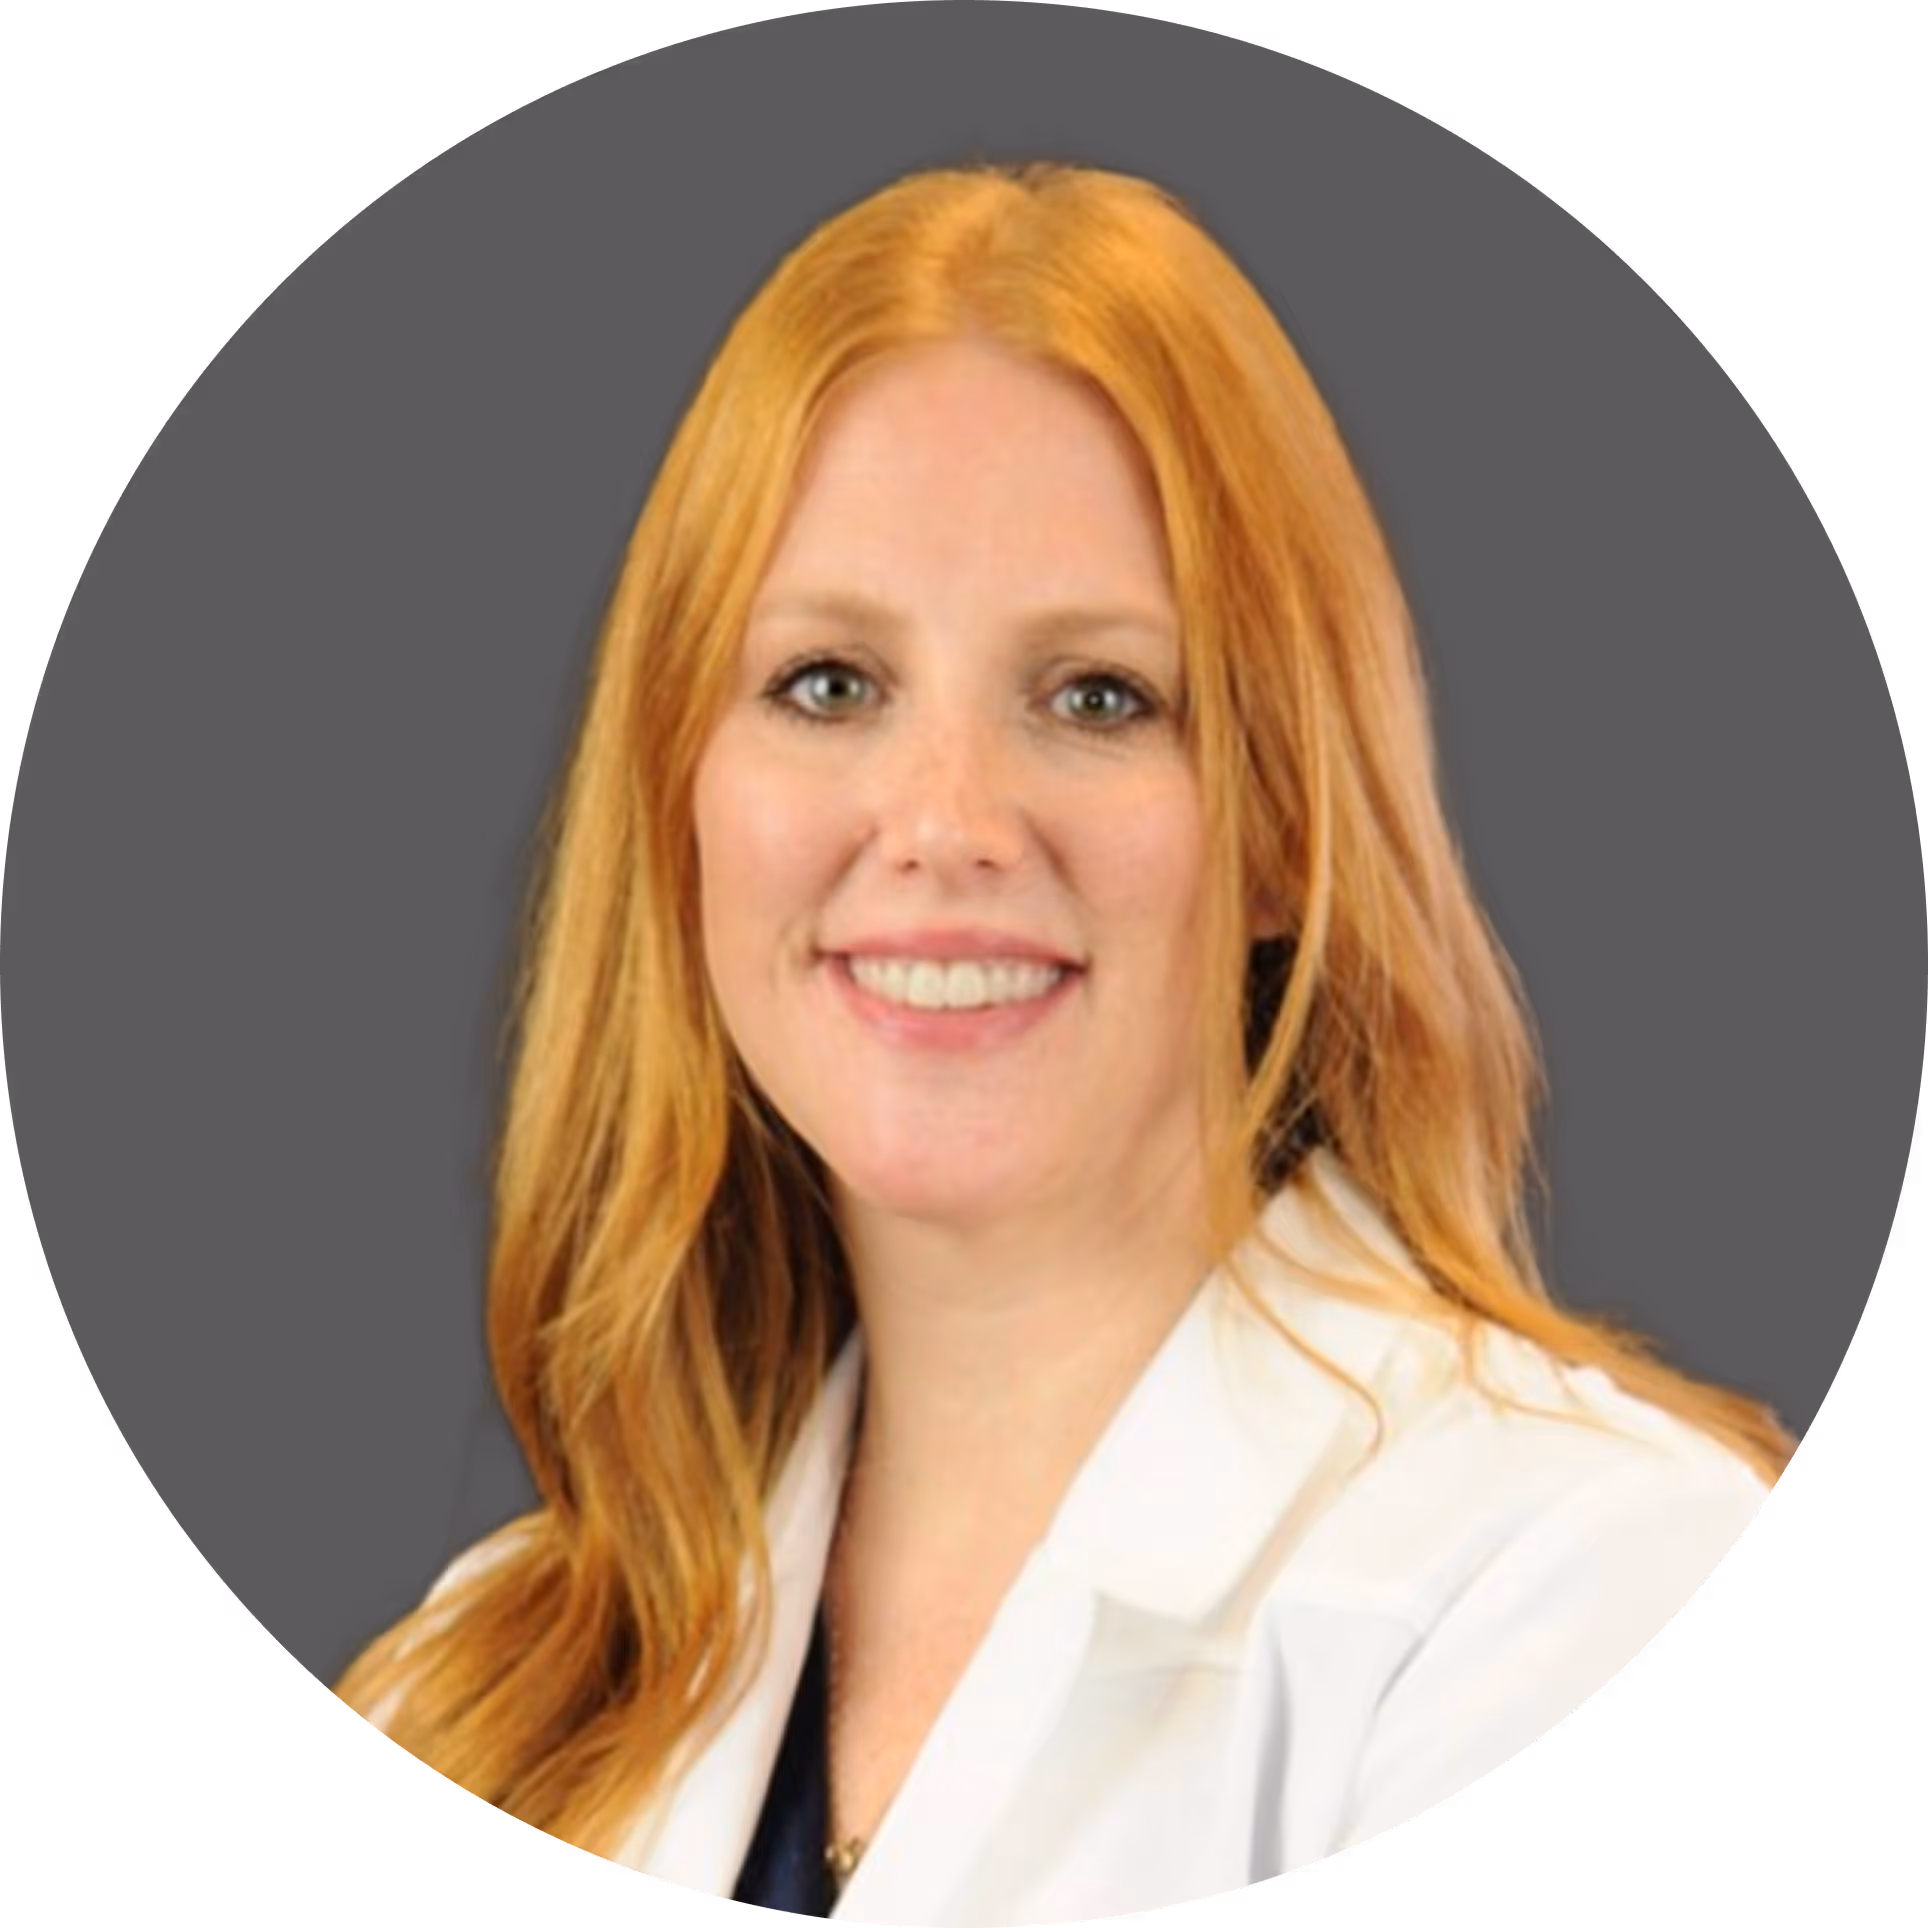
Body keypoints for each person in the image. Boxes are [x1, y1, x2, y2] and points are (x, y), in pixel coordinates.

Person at [334, 161, 1798, 1921]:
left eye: (1099, 696)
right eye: (828, 683)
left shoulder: (1578, 1595)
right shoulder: (471, 1694)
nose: (946, 824)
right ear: (681, 795)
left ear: (1286, 826)